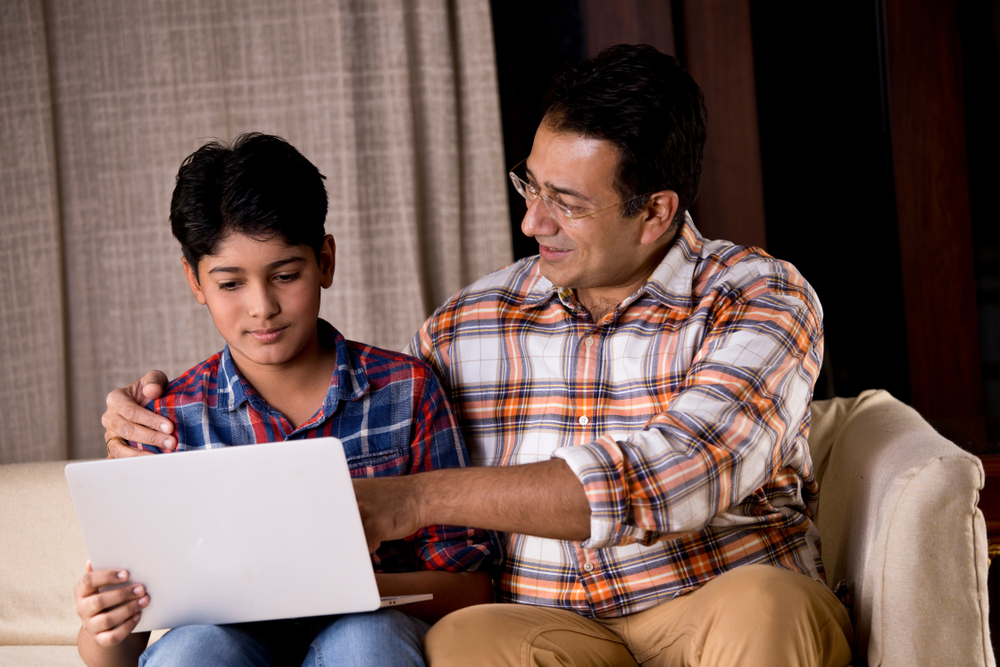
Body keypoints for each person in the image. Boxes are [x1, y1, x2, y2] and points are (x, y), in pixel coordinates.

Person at [104, 46, 853, 666]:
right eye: (530, 184)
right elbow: (344, 400)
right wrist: (149, 410)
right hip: (548, 627)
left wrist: (419, 497)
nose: (532, 220)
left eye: (567, 201)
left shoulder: (758, 298)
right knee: (463, 640)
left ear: (655, 210)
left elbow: (675, 475)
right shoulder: (466, 326)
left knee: (769, 602)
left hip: (714, 603)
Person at [77, 133, 494, 667]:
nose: (262, 307)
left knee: (367, 642)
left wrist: (338, 584)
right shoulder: (165, 422)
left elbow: (470, 584)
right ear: (194, 281)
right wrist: (104, 626)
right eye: (230, 284)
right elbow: (115, 652)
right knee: (194, 649)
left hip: (369, 628)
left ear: (324, 262)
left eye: (285, 275)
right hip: (225, 641)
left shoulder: (404, 389)